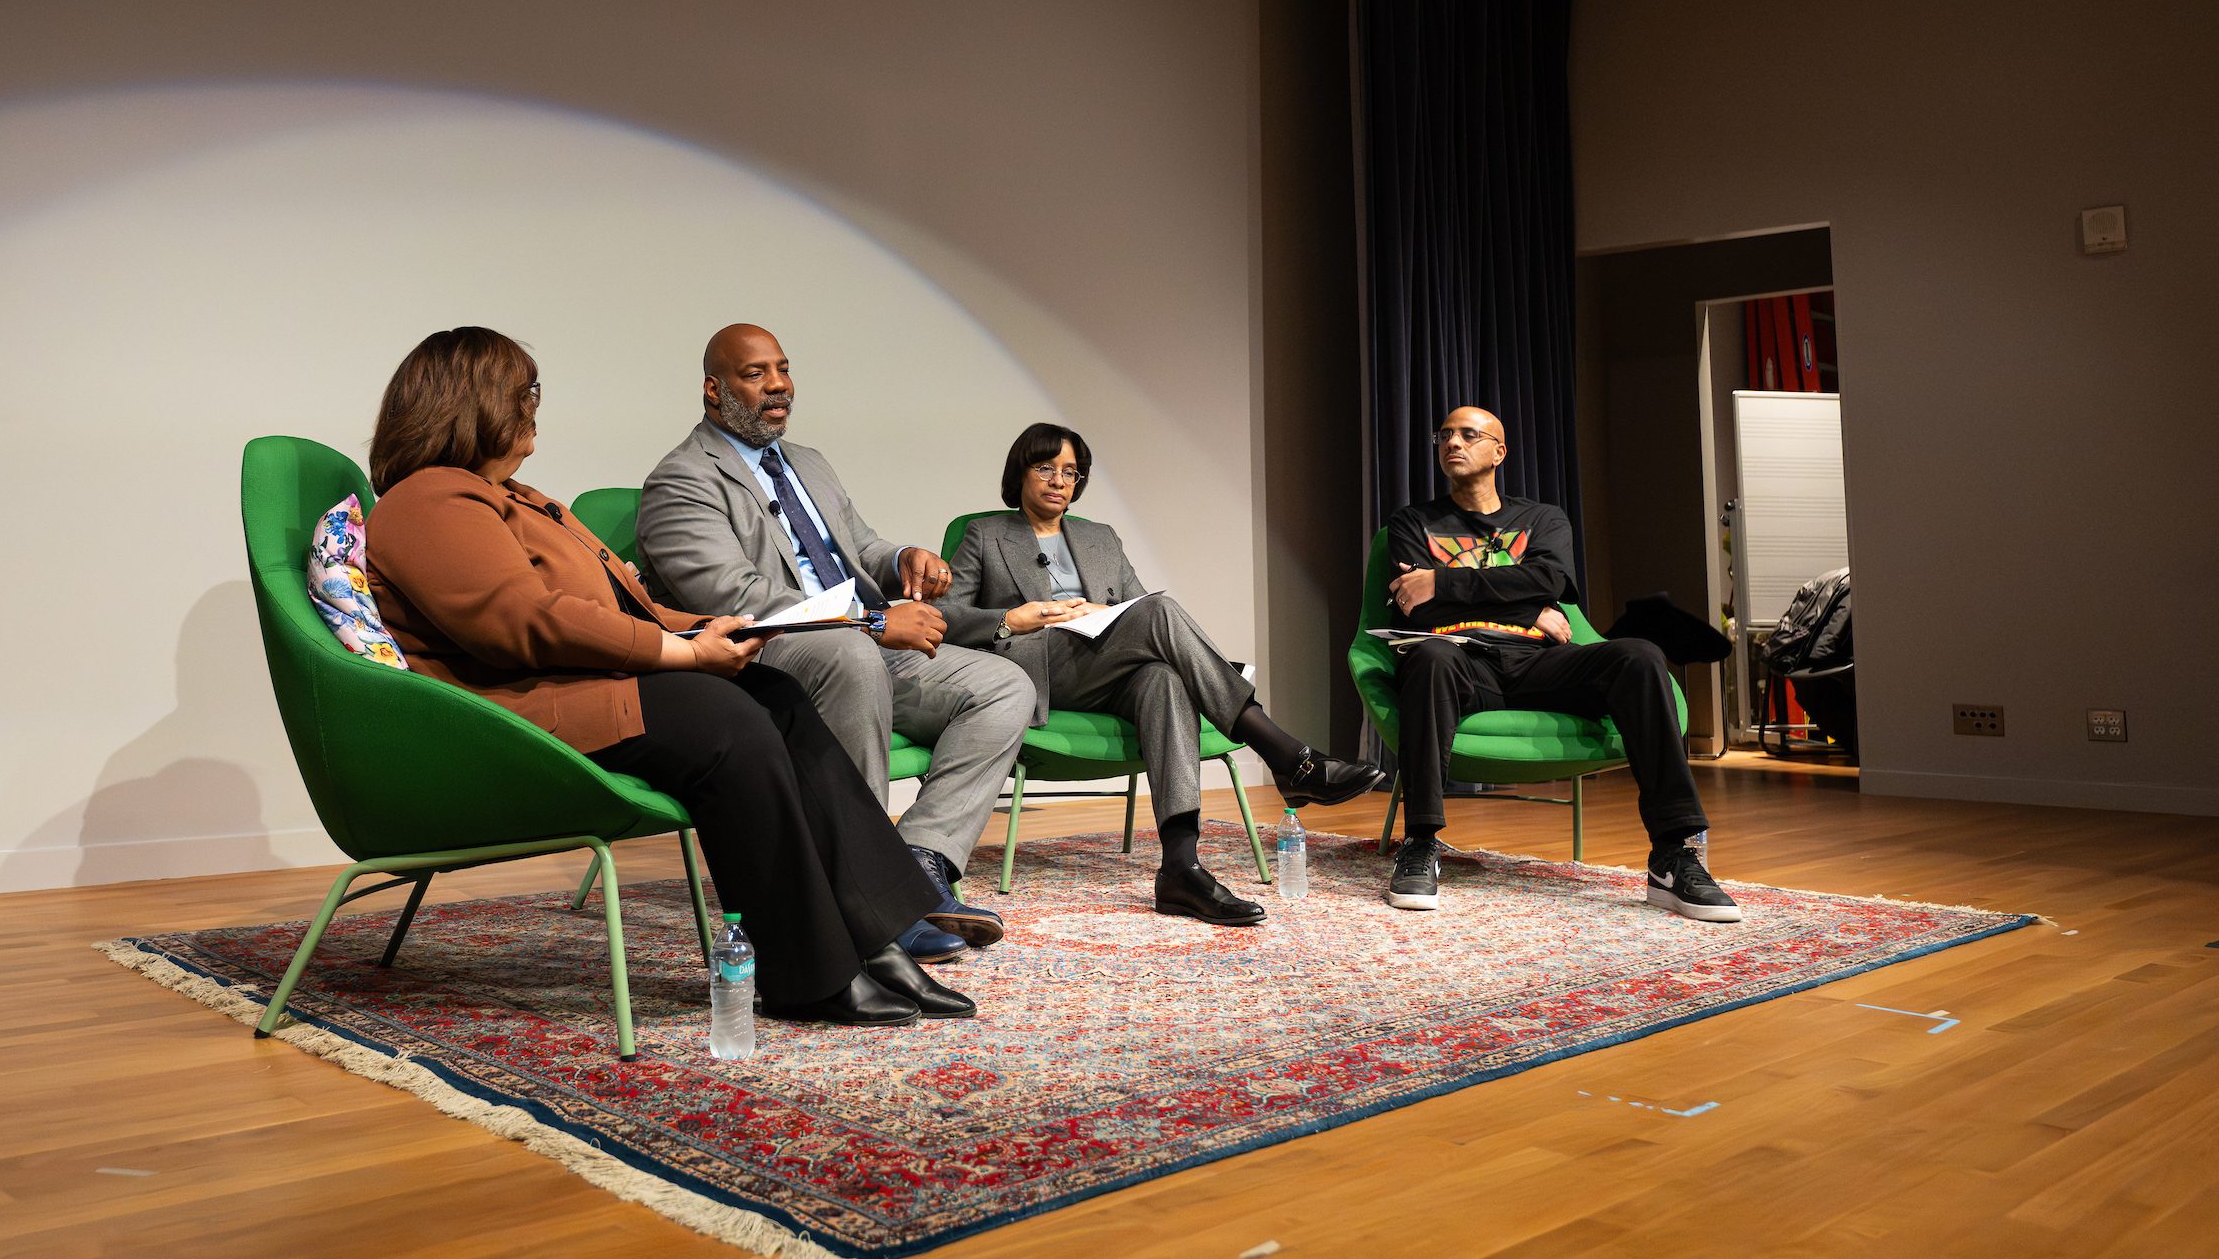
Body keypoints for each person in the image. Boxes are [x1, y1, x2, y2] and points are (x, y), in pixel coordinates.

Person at [360, 326, 974, 1028]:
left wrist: (707, 631)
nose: (534, 408)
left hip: (579, 688)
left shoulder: (518, 498)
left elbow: (628, 604)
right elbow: (521, 621)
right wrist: (679, 654)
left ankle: (876, 936)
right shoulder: (430, 499)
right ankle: (807, 973)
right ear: (473, 403)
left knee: (774, 694)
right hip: (517, 715)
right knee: (729, 727)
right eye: (524, 392)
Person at [635, 324, 1031, 965]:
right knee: (847, 657)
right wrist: (870, 625)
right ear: (714, 390)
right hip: (765, 659)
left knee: (1003, 686)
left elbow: (860, 550)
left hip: (860, 645)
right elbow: (737, 597)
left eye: (783, 370)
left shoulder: (809, 463)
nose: (778, 386)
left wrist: (906, 556)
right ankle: (869, 895)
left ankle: (920, 865)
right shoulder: (681, 481)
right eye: (755, 373)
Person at [943, 424, 1384, 924]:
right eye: (1046, 468)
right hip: (1039, 668)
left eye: (1071, 472)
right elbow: (946, 618)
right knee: (1160, 613)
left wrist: (1095, 612)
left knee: (1164, 679)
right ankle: (1286, 756)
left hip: (1104, 666)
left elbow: (1137, 612)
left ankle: (1180, 868)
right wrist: (1011, 618)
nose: (1059, 481)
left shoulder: (1099, 537)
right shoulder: (985, 534)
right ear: (1020, 472)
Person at [1380, 406, 1739, 922]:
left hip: (1539, 664)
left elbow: (1551, 580)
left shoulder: (1543, 519)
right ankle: (1420, 842)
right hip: (1461, 660)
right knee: (1429, 655)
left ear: (1499, 451)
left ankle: (1673, 853)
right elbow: (1419, 604)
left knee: (1639, 655)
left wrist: (1443, 581)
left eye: (1468, 434)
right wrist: (1526, 605)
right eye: (1444, 435)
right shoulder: (1413, 522)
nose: (1452, 443)